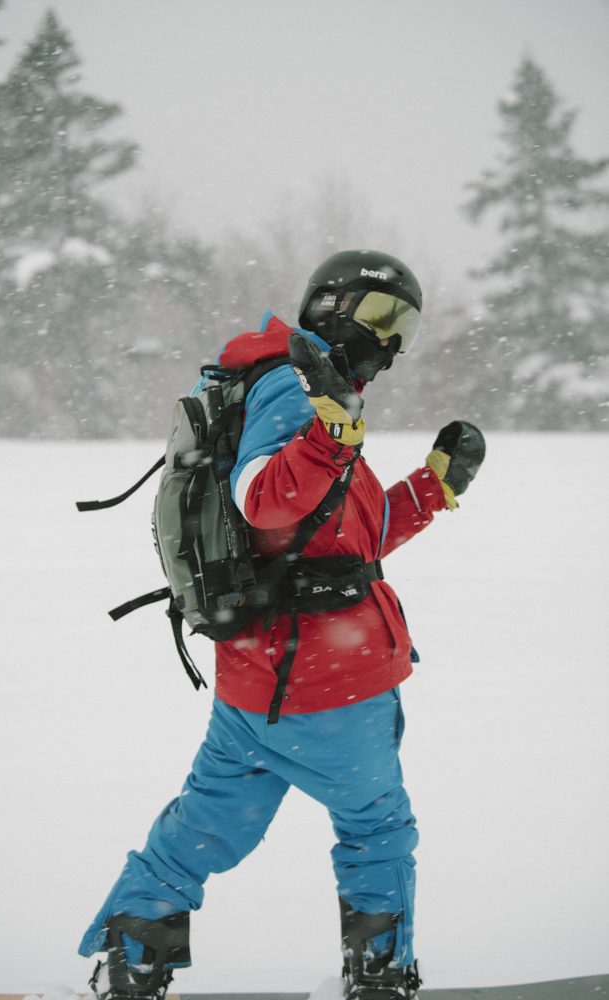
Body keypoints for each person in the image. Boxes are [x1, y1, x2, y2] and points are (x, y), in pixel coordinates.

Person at [78, 250, 486, 1000]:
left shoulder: (289, 386)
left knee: (201, 830)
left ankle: (133, 956)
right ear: (327, 304)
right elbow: (263, 501)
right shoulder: (294, 388)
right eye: (379, 316)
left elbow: (334, 542)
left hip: (257, 678)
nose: (390, 341)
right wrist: (332, 432)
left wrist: (433, 486)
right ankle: (379, 973)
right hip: (332, 683)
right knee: (377, 830)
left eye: (405, 326)